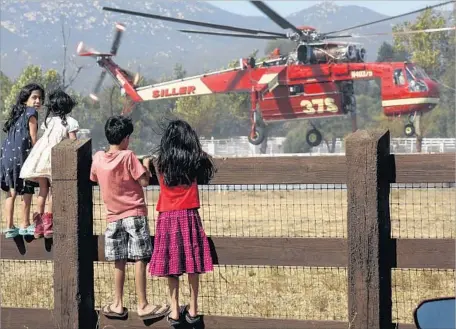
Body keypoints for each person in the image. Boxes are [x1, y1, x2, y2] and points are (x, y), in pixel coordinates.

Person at [90, 115, 170, 320]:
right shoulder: (128, 156)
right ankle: (143, 304)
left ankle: (117, 303)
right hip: (134, 213)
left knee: (119, 260)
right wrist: (144, 163)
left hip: (112, 217)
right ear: (126, 138)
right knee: (139, 259)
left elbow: (93, 177)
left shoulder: (98, 157)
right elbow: (143, 181)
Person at [148, 119, 216, 327]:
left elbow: (147, 162)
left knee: (172, 264)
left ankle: (175, 309)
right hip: (189, 215)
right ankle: (194, 309)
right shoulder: (195, 160)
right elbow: (207, 161)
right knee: (193, 263)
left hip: (167, 216)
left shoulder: (160, 162)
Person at [20, 89, 79, 239]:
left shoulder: (49, 121)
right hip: (55, 159)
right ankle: (49, 223)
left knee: (43, 190)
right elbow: (73, 142)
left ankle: (39, 225)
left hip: (41, 158)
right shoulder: (70, 121)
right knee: (54, 190)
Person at [1, 83, 44, 238]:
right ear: (26, 99)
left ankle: (8, 227)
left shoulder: (16, 114)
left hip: (7, 156)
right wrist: (38, 154)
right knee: (27, 188)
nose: (38, 100)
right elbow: (33, 137)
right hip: (22, 156)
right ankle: (25, 224)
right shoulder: (31, 113)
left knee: (11, 191)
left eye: (40, 98)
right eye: (34, 97)